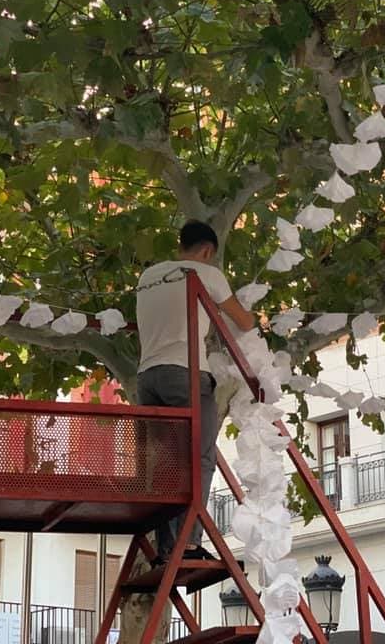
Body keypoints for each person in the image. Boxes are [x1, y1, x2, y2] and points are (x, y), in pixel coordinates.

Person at [136, 220, 256, 562]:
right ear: (207, 251)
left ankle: (165, 546)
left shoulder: (148, 277)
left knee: (164, 464)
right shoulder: (205, 273)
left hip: (148, 376)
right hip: (184, 374)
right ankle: (188, 542)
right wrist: (252, 315)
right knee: (200, 457)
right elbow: (243, 322)